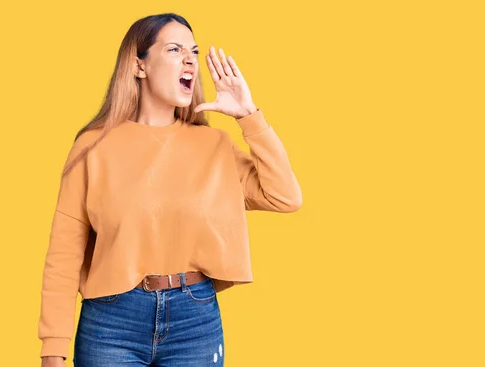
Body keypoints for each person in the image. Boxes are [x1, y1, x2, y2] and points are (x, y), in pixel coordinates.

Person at [38, 12, 302, 367]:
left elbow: (285, 196)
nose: (190, 59)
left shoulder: (215, 146)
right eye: (175, 49)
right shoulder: (93, 147)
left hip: (194, 322)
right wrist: (53, 349)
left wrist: (248, 116)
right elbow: (63, 255)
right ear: (139, 66)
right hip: (110, 323)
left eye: (193, 51)